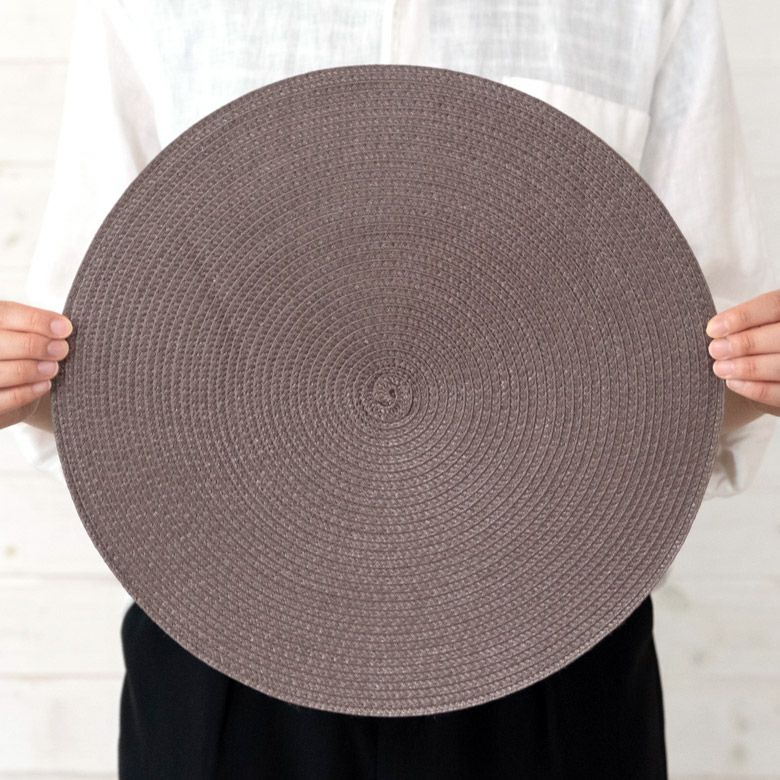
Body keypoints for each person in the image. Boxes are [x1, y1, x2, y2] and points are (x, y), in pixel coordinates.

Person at [3, 0, 779, 777]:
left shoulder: (643, 10)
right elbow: (89, 357)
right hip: (223, 641)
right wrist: (26, 377)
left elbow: (709, 359)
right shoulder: (153, 11)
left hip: (555, 639)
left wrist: (756, 370)